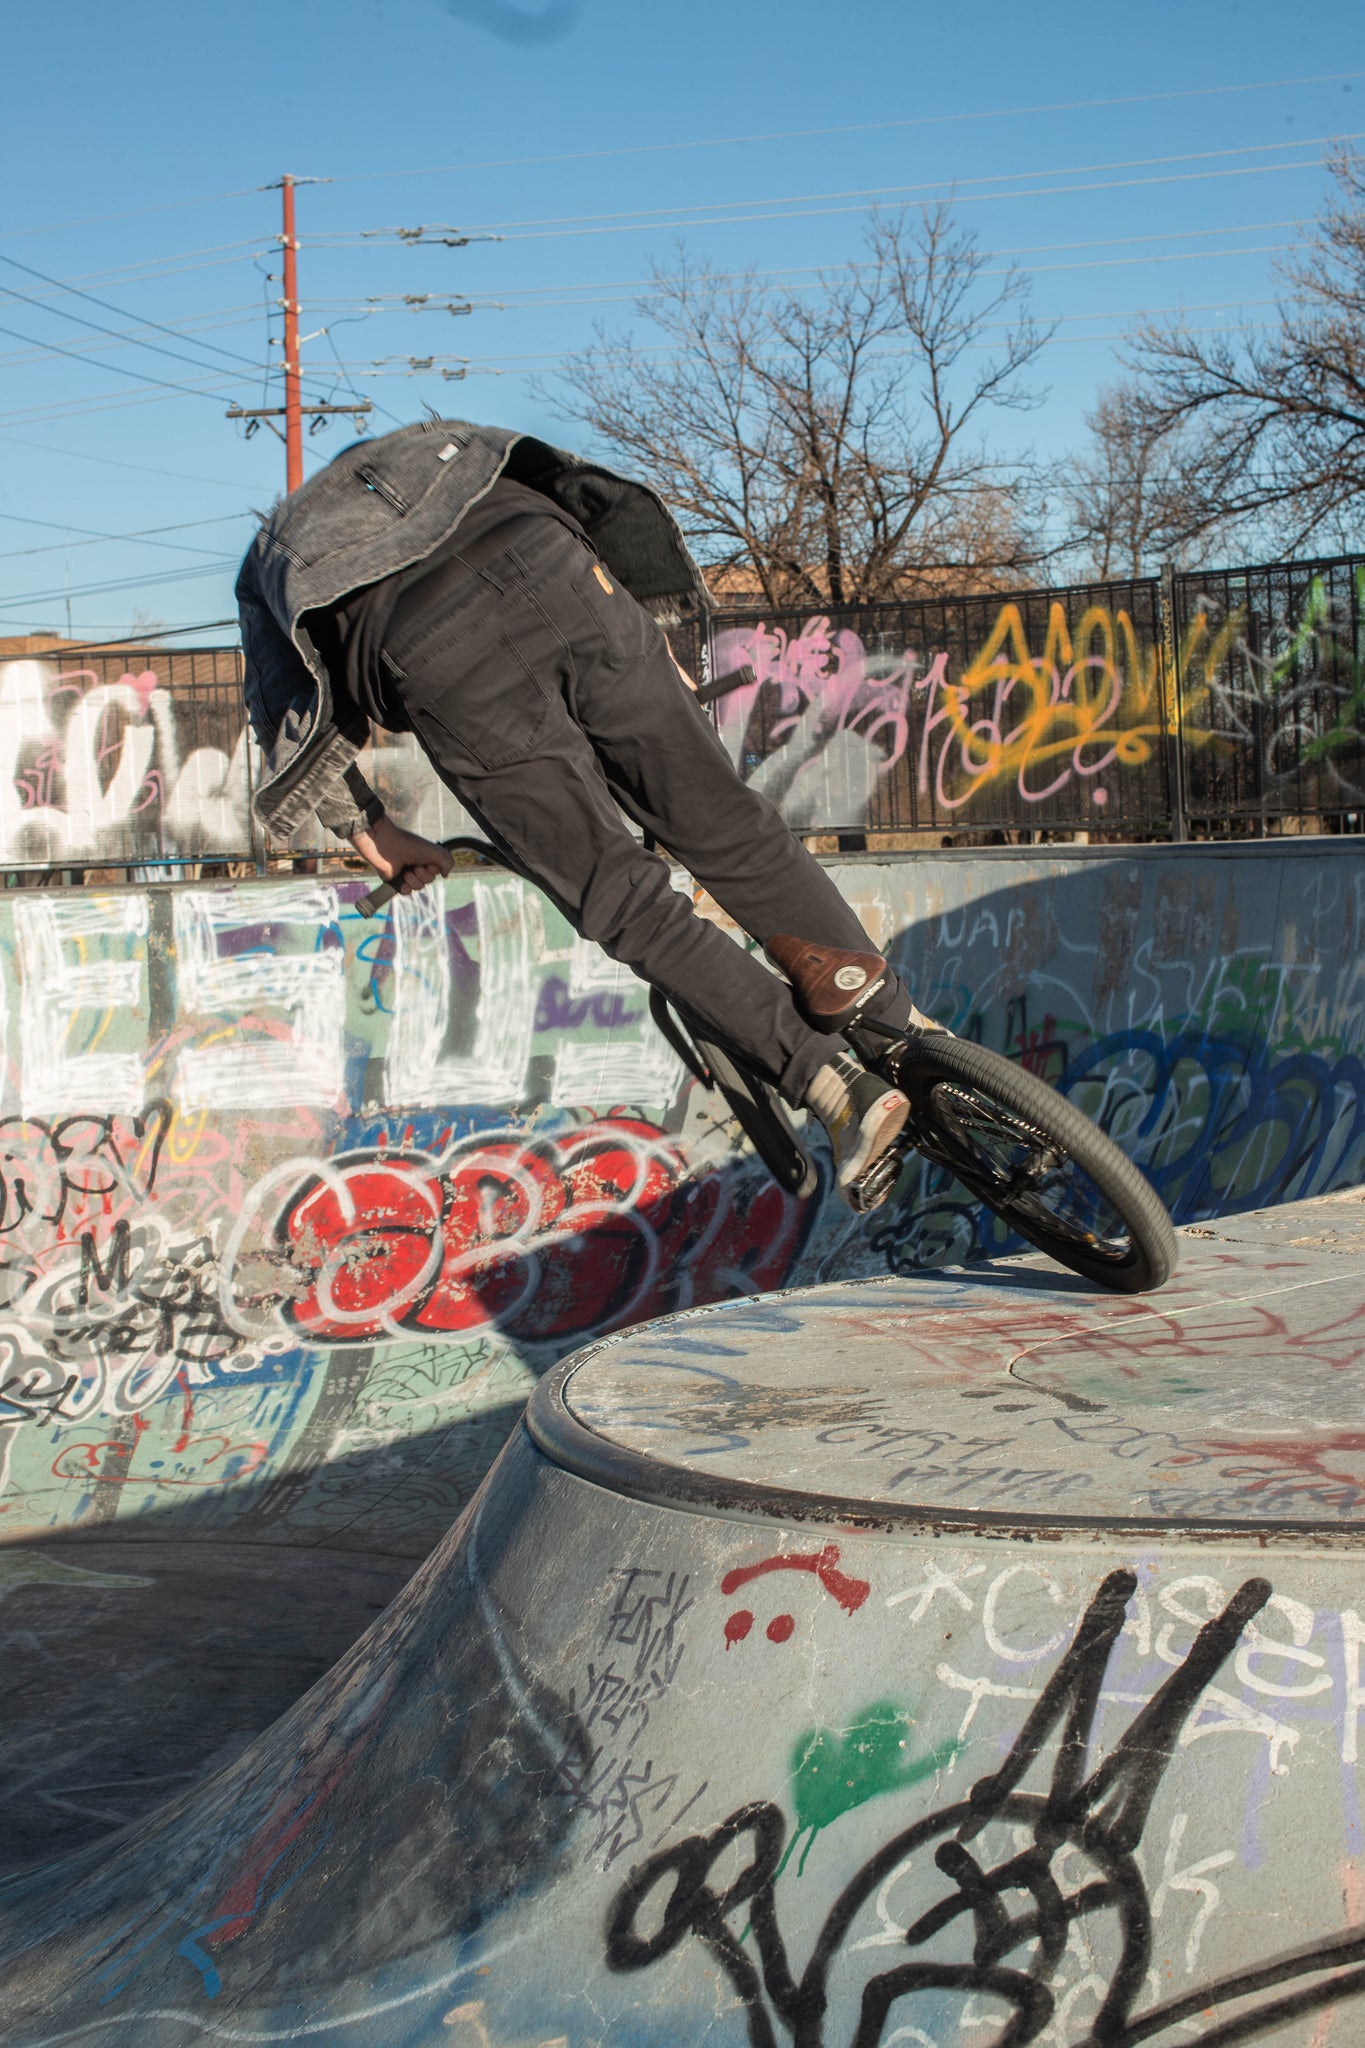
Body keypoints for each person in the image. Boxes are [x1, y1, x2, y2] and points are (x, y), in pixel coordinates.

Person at [235, 417, 924, 1207]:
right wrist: (650, 623)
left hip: (432, 652)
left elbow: (281, 707)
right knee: (726, 825)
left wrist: (371, 828)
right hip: (557, 568)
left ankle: (836, 1086)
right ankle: (903, 1033)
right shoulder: (441, 442)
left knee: (624, 900)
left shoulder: (276, 552)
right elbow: (582, 489)